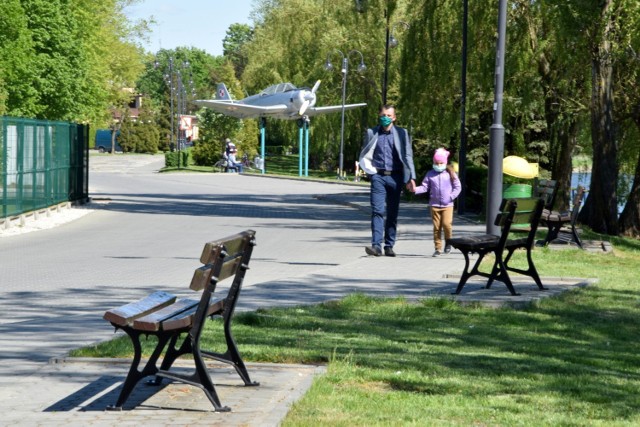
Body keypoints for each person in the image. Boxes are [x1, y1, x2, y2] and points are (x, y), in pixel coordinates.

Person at [359, 105, 416, 257]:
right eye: (383, 114)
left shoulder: (402, 133)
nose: (386, 117)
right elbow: (364, 153)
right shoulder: (372, 132)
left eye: (389, 115)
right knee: (377, 210)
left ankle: (389, 245)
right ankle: (376, 246)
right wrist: (371, 173)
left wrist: (411, 178)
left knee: (392, 213)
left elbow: (408, 156)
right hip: (378, 176)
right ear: (379, 115)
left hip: (396, 177)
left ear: (394, 118)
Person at [412, 147, 461, 257]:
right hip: (434, 205)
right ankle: (437, 248)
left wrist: (451, 197)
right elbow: (425, 187)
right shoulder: (430, 174)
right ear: (433, 162)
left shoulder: (451, 173)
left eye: (441, 163)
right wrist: (415, 189)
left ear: (445, 162)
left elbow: (458, 187)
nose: (438, 165)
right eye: (436, 163)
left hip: (447, 205)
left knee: (447, 225)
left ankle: (448, 242)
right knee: (437, 227)